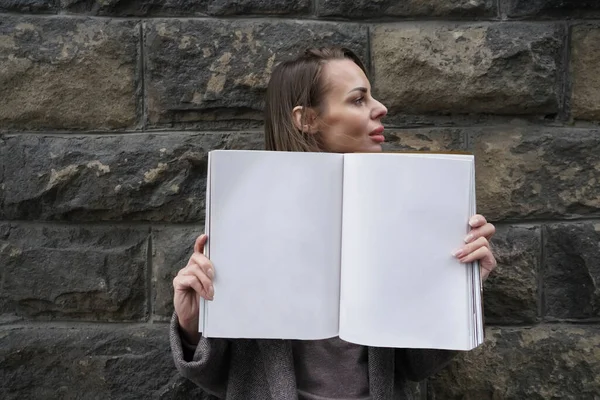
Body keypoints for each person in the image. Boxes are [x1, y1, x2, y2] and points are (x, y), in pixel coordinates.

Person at [170, 47, 497, 400]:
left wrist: (460, 287)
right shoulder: (240, 217)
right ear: (306, 119)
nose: (380, 108)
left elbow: (414, 365)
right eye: (358, 100)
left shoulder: (402, 214)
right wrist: (191, 327)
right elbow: (220, 375)